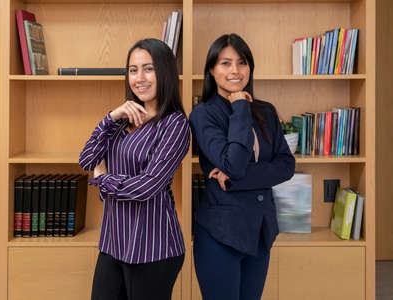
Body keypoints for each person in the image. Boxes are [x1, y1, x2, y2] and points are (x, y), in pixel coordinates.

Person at [79, 38, 189, 300]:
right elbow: (86, 160)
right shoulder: (121, 120)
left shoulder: (174, 125)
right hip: (114, 243)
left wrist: (104, 180)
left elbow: (147, 186)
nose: (140, 78)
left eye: (148, 68)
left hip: (153, 249)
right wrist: (111, 117)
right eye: (133, 69)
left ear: (165, 72)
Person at [189, 33, 295, 300]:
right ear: (212, 70)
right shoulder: (204, 114)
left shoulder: (266, 111)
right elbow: (234, 163)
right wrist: (239, 107)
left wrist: (236, 181)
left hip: (260, 231)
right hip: (221, 234)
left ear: (250, 68)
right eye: (225, 63)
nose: (235, 70)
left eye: (242, 62)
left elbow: (286, 165)